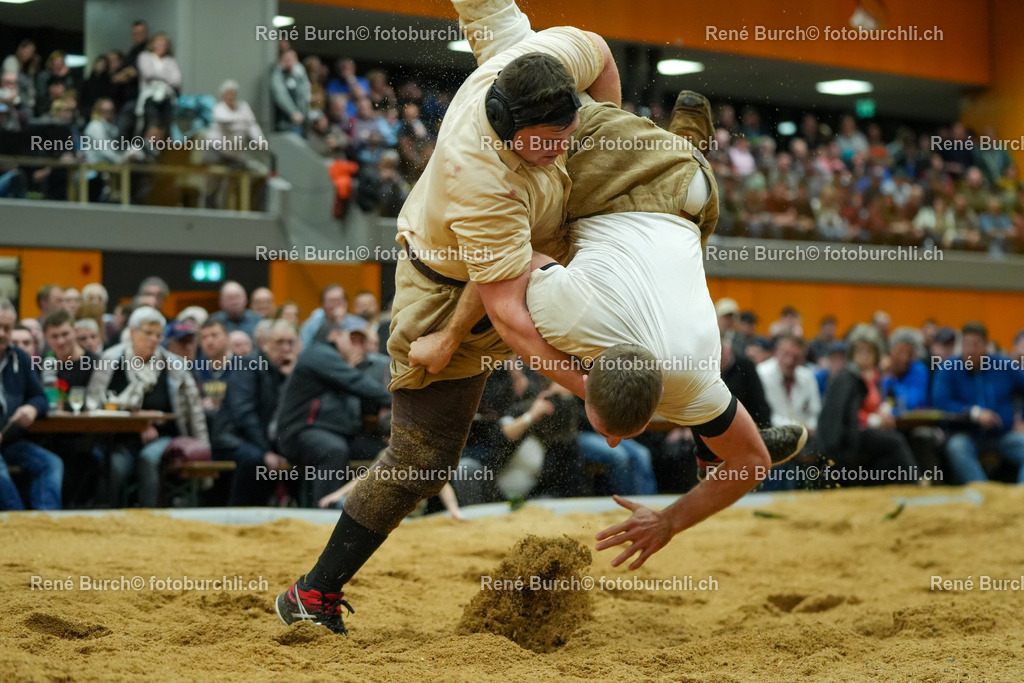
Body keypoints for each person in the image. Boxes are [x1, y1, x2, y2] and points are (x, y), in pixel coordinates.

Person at [401, 1, 806, 570]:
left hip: (696, 200)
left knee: (510, 41)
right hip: (638, 182)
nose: (613, 443)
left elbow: (752, 461)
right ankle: (668, 140)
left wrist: (679, 508)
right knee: (546, 189)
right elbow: (509, 279)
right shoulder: (573, 313)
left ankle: (678, 141)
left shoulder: (690, 376)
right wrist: (447, 337)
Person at [276, 0, 620, 634]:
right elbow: (508, 314)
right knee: (422, 460)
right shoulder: (478, 176)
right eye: (545, 144)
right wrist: (596, 396)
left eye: (566, 137)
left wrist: (604, 140)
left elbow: (596, 50)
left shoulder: (543, 62)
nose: (558, 151)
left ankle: (718, 427)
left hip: (519, 260)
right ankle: (312, 591)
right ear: (507, 126)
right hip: (442, 292)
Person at [86, 307, 208, 507]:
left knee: (148, 460)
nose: (153, 339)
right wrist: (138, 420)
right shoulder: (110, 360)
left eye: (158, 335)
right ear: (133, 333)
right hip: (121, 438)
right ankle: (107, 517)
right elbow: (93, 405)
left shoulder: (174, 365)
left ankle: (149, 517)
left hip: (164, 436)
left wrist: (203, 448)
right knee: (114, 467)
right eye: (148, 333)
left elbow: (193, 412)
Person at [275, 320, 392, 504]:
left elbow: (358, 388)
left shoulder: (337, 361)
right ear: (335, 336)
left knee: (382, 452)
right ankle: (324, 513)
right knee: (333, 451)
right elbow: (356, 383)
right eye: (349, 338)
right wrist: (396, 401)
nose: (353, 346)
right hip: (300, 432)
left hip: (337, 433)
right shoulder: (318, 354)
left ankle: (377, 512)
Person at [818, 324, 918, 485]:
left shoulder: (874, 377)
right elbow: (845, 419)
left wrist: (882, 414)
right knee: (895, 441)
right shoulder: (847, 379)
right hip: (849, 440)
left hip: (867, 435)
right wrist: (875, 420)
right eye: (859, 350)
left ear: (876, 354)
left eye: (868, 351)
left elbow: (877, 405)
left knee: (901, 447)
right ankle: (916, 485)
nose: (863, 355)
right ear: (852, 353)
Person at [215, 320, 298, 506]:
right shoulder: (248, 364)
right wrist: (266, 451)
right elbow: (244, 415)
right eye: (279, 342)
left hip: (264, 440)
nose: (285, 348)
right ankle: (238, 515)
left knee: (302, 457)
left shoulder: (290, 371)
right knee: (257, 461)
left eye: (290, 342)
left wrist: (290, 378)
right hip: (233, 437)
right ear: (265, 343)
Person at [932, 322, 1024, 483]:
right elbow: (941, 401)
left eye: (976, 345)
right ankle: (983, 495)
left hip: (1002, 434)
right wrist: (974, 413)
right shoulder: (949, 368)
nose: (970, 350)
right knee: (957, 448)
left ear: (986, 346)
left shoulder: (1003, 365)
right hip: (967, 434)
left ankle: (1019, 499)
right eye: (966, 344)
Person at [0, 298, 62, 511]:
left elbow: (41, 397)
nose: (2, 333)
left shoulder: (21, 358)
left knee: (51, 463)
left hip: (9, 442)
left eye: (7, 328)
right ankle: (20, 526)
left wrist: (32, 407)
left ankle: (45, 523)